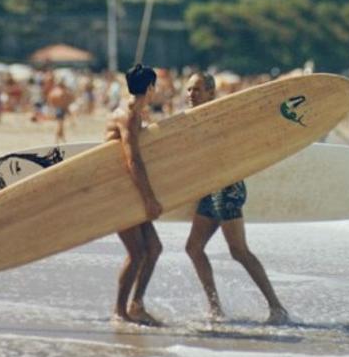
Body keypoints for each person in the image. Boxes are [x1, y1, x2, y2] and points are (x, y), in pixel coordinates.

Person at [184, 72, 289, 324]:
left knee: (239, 251)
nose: (191, 94)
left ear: (211, 92)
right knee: (194, 248)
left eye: (197, 90)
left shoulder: (222, 116)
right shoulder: (191, 119)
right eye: (188, 90)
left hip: (228, 189)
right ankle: (215, 309)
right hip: (211, 190)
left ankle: (277, 308)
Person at [105, 63, 164, 325]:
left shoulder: (137, 112)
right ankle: (119, 310)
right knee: (138, 252)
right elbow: (133, 160)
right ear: (150, 88)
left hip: (131, 189)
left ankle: (137, 305)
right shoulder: (127, 114)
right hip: (119, 191)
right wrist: (150, 198)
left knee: (153, 247)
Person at [47, 80, 74, 144]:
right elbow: (64, 103)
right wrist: (68, 111)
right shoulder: (62, 92)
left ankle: (63, 139)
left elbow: (50, 101)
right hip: (61, 109)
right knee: (60, 125)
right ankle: (56, 140)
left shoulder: (53, 91)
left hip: (55, 109)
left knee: (61, 125)